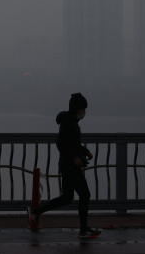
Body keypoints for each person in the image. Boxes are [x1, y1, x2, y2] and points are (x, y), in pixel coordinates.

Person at [28, 93, 101, 238]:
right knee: (85, 194)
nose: (84, 112)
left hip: (67, 165)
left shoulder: (71, 121)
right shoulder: (69, 123)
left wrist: (85, 151)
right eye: (82, 109)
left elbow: (71, 143)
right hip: (70, 166)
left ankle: (36, 212)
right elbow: (61, 144)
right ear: (77, 109)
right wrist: (74, 157)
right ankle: (84, 229)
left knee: (67, 197)